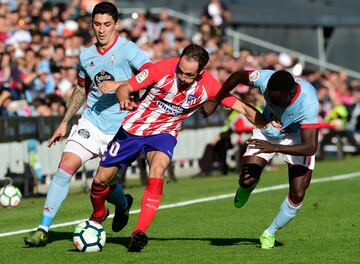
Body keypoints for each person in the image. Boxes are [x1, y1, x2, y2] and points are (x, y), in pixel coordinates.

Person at [91, 44, 267, 252]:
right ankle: (104, 212)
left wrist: (269, 126)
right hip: (132, 130)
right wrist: (123, 101)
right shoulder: (161, 69)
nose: (182, 78)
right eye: (180, 71)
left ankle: (140, 232)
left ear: (201, 73)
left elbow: (243, 108)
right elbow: (124, 88)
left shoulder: (209, 87)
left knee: (157, 170)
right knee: (101, 181)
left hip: (164, 134)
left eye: (189, 75)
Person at [24, 2, 151, 247]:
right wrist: (64, 121)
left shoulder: (128, 49)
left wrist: (121, 85)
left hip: (121, 128)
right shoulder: (86, 55)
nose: (101, 30)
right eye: (97, 24)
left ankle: (122, 205)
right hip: (91, 121)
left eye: (107, 25)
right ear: (91, 24)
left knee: (104, 184)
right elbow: (82, 88)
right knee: (65, 167)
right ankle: (43, 228)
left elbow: (149, 72)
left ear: (116, 24)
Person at [202, 69, 319, 249]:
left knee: (298, 193)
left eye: (276, 99)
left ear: (291, 94)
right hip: (268, 129)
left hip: (297, 138)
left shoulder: (308, 102)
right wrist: (217, 100)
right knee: (247, 180)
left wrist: (277, 148)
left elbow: (310, 146)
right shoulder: (265, 79)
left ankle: (270, 232)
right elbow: (237, 76)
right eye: (269, 97)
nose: (271, 101)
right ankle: (246, 188)